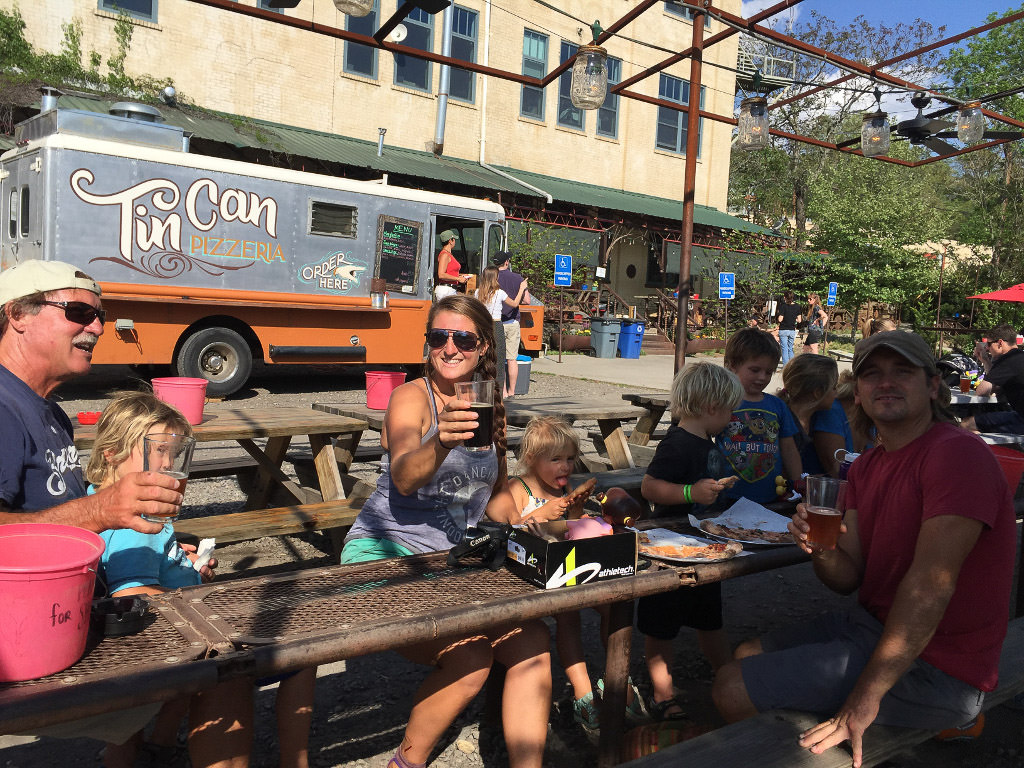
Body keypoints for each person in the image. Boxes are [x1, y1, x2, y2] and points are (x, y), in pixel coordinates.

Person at [712, 331, 1017, 768]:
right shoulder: (868, 465)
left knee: (731, 687)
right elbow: (846, 577)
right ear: (857, 392)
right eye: (872, 374)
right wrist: (819, 547)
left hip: (943, 666)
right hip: (872, 626)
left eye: (902, 372)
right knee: (743, 655)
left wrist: (864, 698)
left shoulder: (956, 454)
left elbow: (930, 587)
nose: (885, 383)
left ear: (932, 386)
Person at [0, 260, 252, 768]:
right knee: (228, 668)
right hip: (29, 650)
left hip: (69, 622)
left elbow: (67, 529)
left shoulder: (47, 412)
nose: (97, 326)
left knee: (231, 651)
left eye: (100, 315)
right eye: (78, 311)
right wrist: (101, 509)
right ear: (17, 315)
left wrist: (157, 554)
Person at [341, 294, 551, 768]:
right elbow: (403, 475)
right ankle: (406, 762)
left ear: (482, 349)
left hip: (453, 563)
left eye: (464, 339)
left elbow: (492, 495)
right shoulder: (410, 397)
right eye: (439, 337)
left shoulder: (489, 399)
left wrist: (528, 509)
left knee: (533, 638)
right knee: (470, 654)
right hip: (387, 552)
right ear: (428, 344)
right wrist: (440, 440)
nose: (450, 348)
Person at [509, 416, 644, 737]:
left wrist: (575, 510)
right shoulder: (520, 487)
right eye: (555, 459)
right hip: (538, 573)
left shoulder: (567, 487)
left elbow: (574, 525)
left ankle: (616, 677)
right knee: (568, 618)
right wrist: (542, 513)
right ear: (531, 459)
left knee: (615, 608)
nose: (565, 467)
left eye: (570, 459)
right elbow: (514, 527)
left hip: (573, 567)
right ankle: (583, 692)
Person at [638, 362, 743, 720]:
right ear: (711, 407)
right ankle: (662, 692)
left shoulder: (707, 441)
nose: (732, 418)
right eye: (729, 410)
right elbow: (650, 487)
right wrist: (689, 491)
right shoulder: (679, 443)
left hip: (703, 548)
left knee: (710, 618)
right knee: (661, 624)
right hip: (669, 548)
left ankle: (728, 673)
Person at [715, 327, 802, 504]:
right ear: (732, 366)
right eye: (755, 370)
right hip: (727, 496)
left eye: (769, 372)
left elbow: (789, 449)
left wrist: (799, 483)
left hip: (769, 497)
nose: (762, 377)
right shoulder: (722, 402)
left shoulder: (777, 406)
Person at [778, 355, 853, 477]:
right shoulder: (786, 422)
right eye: (834, 388)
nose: (837, 393)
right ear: (818, 393)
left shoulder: (814, 418)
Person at [962, 324, 1024, 434]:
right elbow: (997, 382)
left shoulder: (1007, 360)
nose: (987, 348)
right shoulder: (1018, 356)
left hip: (1021, 419)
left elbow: (981, 392)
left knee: (966, 424)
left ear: (1000, 343)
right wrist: (985, 360)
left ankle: (981, 451)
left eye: (989, 344)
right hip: (1018, 414)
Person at [476, 265, 527, 399]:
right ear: (495, 277)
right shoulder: (500, 293)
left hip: (483, 326)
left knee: (483, 357)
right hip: (497, 325)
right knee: (498, 359)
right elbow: (515, 304)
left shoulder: (478, 293)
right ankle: (500, 391)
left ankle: (482, 387)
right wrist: (521, 288)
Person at [493, 251, 531, 399]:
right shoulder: (517, 278)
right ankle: (512, 392)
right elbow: (527, 300)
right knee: (511, 358)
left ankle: (501, 391)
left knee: (498, 359)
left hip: (496, 323)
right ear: (507, 262)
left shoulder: (491, 277)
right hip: (512, 322)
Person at [436, 229, 471, 298]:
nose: (455, 241)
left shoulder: (448, 254)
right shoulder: (445, 255)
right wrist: (458, 279)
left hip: (449, 289)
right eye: (454, 239)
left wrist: (461, 276)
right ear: (450, 241)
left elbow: (450, 272)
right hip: (446, 290)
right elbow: (441, 275)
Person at [776, 290, 802, 366]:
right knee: (790, 348)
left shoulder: (783, 306)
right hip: (792, 330)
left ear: (785, 297)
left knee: (784, 349)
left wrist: (779, 317)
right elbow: (799, 320)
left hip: (783, 329)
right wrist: (793, 319)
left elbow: (780, 319)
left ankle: (785, 366)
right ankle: (792, 366)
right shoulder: (797, 306)